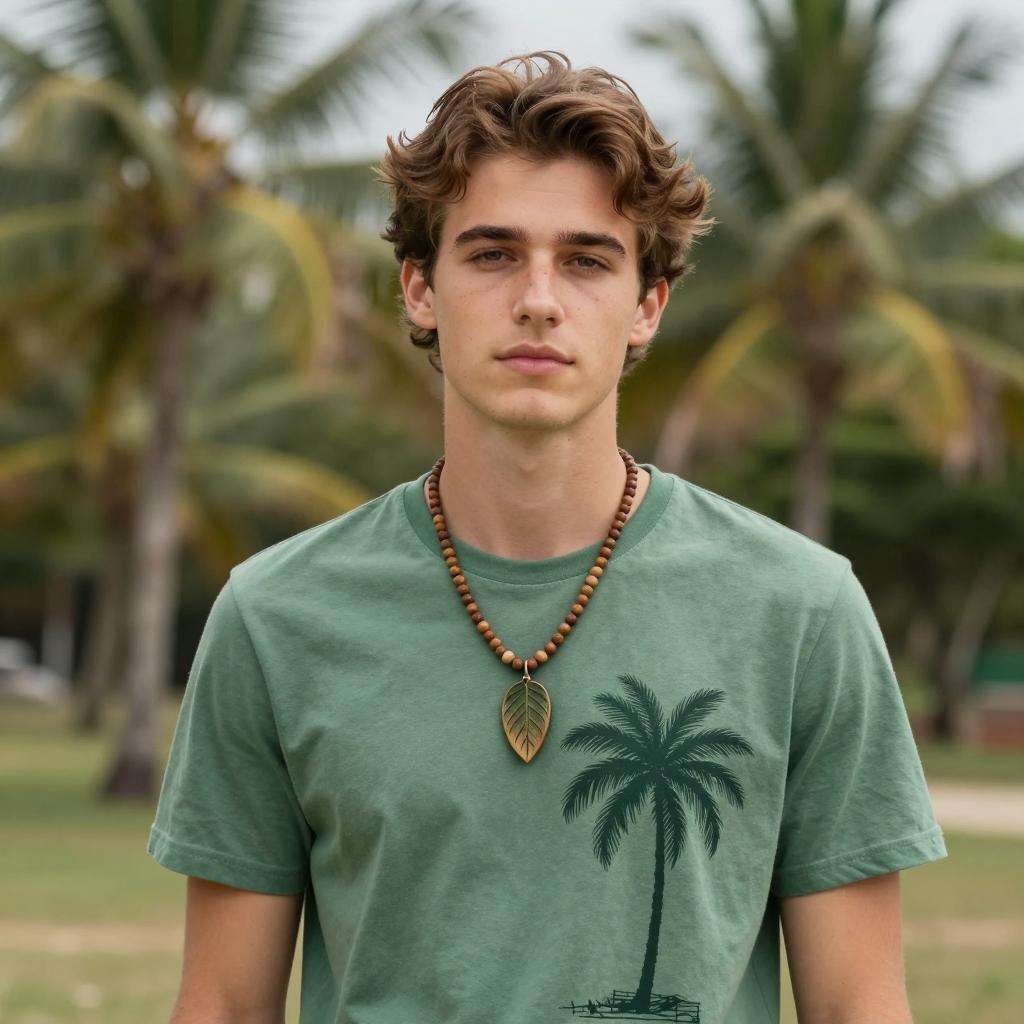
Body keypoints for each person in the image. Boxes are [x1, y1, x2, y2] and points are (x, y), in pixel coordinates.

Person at [148, 51, 946, 1024]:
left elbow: (859, 1005)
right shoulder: (275, 617)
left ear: (646, 304)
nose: (537, 297)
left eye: (585, 258)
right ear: (418, 289)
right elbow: (223, 1005)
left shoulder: (801, 608)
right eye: (490, 253)